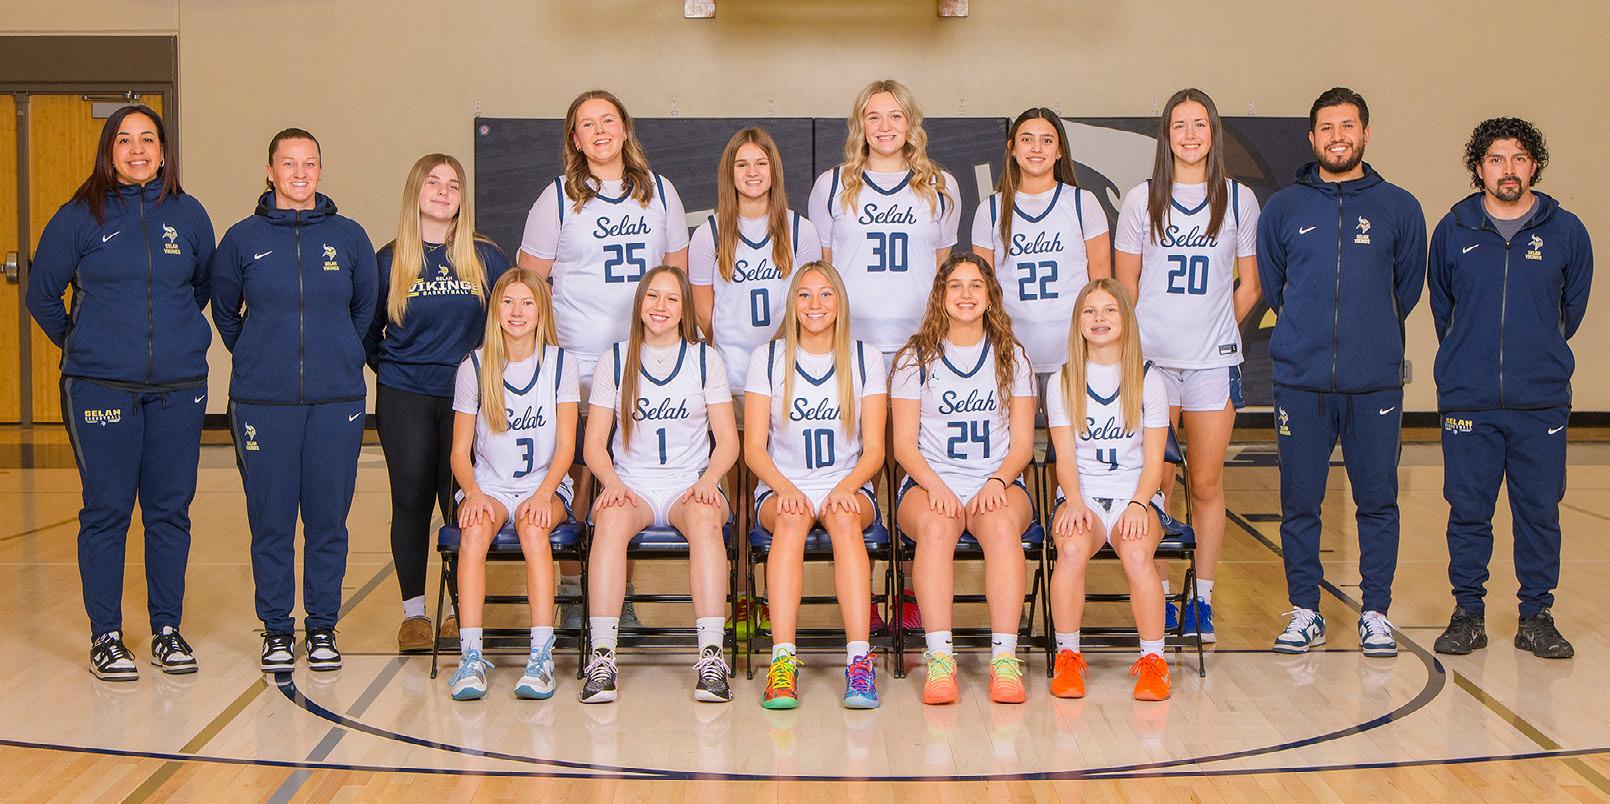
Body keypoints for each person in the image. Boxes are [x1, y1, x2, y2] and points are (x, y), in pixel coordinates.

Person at [26, 105, 214, 680]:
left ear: (163, 151)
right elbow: (41, 294)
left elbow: (200, 288)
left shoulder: (188, 214)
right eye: (125, 140)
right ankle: (106, 636)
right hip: (99, 388)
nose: (137, 150)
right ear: (109, 150)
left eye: (147, 139)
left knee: (169, 511)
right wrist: (84, 343)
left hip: (178, 388)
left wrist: (171, 342)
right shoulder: (79, 216)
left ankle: (166, 630)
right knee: (107, 510)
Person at [1256, 88, 1425, 657]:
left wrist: (1369, 336)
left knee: (1377, 501)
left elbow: (1406, 289)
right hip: (1300, 383)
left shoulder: (1399, 207)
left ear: (1365, 133)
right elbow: (1276, 287)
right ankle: (1306, 610)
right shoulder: (1284, 209)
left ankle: (1375, 612)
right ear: (1311, 137)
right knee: (1300, 503)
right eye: (1326, 127)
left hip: (1374, 383)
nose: (1337, 137)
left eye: (1347, 126)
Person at [519, 90, 688, 629]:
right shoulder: (556, 198)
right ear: (574, 139)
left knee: (627, 477)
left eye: (607, 120)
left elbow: (678, 277)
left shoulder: (660, 192)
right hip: (580, 358)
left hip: (644, 363)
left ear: (625, 128)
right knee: (575, 471)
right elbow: (529, 283)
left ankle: (622, 593)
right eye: (587, 124)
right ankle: (574, 592)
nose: (599, 131)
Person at [212, 128, 378, 673]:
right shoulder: (241, 239)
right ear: (270, 171)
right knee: (272, 523)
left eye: (309, 163)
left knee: (328, 521)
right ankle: (277, 629)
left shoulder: (349, 237)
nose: (300, 173)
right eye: (289, 163)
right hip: (263, 404)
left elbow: (364, 310)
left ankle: (323, 626)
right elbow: (225, 312)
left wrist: (339, 352)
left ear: (320, 171)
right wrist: (260, 354)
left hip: (336, 401)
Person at [1428, 117, 1592, 659]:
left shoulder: (1566, 232)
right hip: (1468, 399)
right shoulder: (1453, 230)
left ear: (1534, 165)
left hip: (1539, 401)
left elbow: (1570, 311)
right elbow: (1444, 309)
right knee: (1468, 511)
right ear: (1479, 167)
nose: (1508, 169)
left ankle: (1536, 617)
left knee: (1539, 513)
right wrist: (1469, 360)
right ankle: (1468, 615)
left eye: (1519, 158)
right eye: (1496, 159)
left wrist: (1536, 353)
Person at [809, 78, 960, 633]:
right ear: (860, 126)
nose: (885, 126)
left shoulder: (939, 185)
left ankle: (914, 592)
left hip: (920, 349)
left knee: (915, 470)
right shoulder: (832, 185)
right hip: (855, 348)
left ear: (911, 123)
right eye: (874, 116)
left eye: (896, 115)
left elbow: (943, 272)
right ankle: (867, 597)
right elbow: (826, 272)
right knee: (864, 467)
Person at [1114, 89, 1261, 642]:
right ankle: (1159, 592)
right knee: (1158, 483)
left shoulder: (1239, 199)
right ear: (1166, 135)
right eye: (1180, 125)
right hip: (1153, 363)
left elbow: (1250, 284)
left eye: (1200, 124)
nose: (1191, 135)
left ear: (1214, 132)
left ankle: (1201, 599)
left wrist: (1217, 330)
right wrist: (1137, 348)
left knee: (1205, 482)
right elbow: (1125, 285)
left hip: (1211, 364)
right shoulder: (1142, 199)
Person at [365, 154, 509, 653]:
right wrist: (397, 371)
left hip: (467, 397)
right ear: (415, 191)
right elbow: (367, 333)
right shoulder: (388, 260)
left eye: (453, 184)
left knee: (461, 500)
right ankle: (414, 615)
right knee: (410, 499)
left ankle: (457, 610)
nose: (444, 191)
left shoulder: (485, 257)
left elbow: (509, 324)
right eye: (433, 182)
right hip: (404, 393)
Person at [580, 266, 739, 704]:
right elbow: (594, 443)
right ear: (640, 304)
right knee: (610, 521)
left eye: (672, 298)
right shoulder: (616, 359)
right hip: (633, 483)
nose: (661, 306)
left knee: (706, 519)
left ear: (685, 308)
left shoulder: (705, 359)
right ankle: (602, 658)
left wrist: (709, 480)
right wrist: (611, 482)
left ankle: (711, 658)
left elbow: (728, 441)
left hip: (690, 483)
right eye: (653, 296)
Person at [690, 126, 822, 639]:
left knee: (774, 490)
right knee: (740, 494)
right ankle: (742, 597)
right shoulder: (709, 233)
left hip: (785, 377)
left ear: (774, 171)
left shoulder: (800, 229)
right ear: (730, 173)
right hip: (731, 378)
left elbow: (813, 300)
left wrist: (778, 361)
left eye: (760, 163)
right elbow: (705, 315)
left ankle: (772, 598)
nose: (751, 173)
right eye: (742, 164)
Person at [889, 253, 1036, 705]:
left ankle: (1004, 659)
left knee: (1001, 526)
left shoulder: (1012, 356)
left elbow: (1023, 445)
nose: (966, 294)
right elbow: (904, 446)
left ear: (990, 295)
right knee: (937, 527)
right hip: (931, 480)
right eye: (956, 285)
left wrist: (997, 482)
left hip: (997, 479)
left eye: (976, 285)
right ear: (941, 295)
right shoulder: (915, 358)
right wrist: (936, 485)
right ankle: (940, 659)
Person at [744, 261, 886, 710]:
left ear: (840, 302)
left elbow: (875, 451)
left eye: (825, 294)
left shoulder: (864, 357)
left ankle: (859, 662)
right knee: (790, 519)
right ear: (793, 303)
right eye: (804, 294)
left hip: (847, 482)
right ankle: (782, 662)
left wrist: (846, 487)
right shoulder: (768, 358)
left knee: (844, 520)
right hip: (783, 484)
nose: (815, 304)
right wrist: (786, 489)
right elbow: (754, 449)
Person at [445, 269, 579, 700]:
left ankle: (540, 655)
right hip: (490, 484)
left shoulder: (560, 364)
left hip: (545, 484)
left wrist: (543, 493)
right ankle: (470, 656)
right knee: (473, 530)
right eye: (507, 302)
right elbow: (459, 452)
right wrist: (473, 493)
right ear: (495, 310)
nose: (517, 312)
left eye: (527, 303)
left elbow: (566, 447)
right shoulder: (475, 366)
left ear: (541, 311)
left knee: (533, 527)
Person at [1044, 280, 1174, 701]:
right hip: (1081, 494)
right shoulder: (1063, 379)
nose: (1099, 319)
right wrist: (1073, 500)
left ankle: (1154, 662)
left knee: (1137, 554)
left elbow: (1155, 462)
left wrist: (1138, 503)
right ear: (1078, 322)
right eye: (1090, 311)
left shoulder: (1149, 379)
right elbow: (1064, 458)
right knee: (1071, 550)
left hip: (1135, 494)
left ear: (1125, 319)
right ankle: (1067, 658)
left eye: (1109, 310)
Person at [971, 106, 1112, 384]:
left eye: (1047, 140)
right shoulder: (990, 209)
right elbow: (984, 292)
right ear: (1012, 148)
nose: (1036, 148)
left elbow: (1101, 288)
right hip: (1012, 352)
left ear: (1059, 151)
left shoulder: (1082, 203)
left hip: (1073, 353)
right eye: (1027, 139)